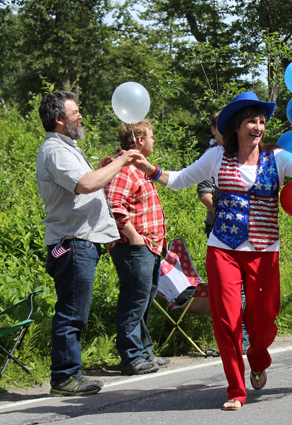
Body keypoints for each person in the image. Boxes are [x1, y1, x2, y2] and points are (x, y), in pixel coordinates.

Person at [130, 91, 292, 410]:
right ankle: (235, 390)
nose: (258, 126)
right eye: (252, 120)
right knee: (226, 318)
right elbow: (182, 179)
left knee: (264, 319)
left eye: (262, 121)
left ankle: (258, 357)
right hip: (223, 247)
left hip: (265, 250)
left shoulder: (277, 157)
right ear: (237, 126)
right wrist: (150, 170)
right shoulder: (216, 158)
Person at [36, 91, 136, 396]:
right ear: (59, 119)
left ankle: (68, 374)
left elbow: (88, 178)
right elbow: (86, 184)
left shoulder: (67, 148)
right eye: (75, 112)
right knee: (71, 310)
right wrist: (121, 162)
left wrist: (105, 165)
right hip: (72, 242)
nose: (81, 116)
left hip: (78, 241)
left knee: (74, 308)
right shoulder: (56, 150)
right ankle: (65, 377)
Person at [104, 119, 171, 376]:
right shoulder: (123, 168)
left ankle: (145, 352)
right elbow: (114, 206)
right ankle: (131, 357)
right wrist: (133, 237)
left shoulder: (138, 167)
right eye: (152, 137)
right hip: (134, 247)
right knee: (133, 302)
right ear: (140, 140)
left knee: (143, 301)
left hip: (149, 247)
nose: (154, 141)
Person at [196, 111, 250, 354]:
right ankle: (236, 340)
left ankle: (246, 337)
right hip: (221, 230)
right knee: (229, 288)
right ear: (214, 131)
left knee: (246, 286)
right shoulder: (211, 156)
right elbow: (204, 191)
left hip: (252, 231)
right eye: (221, 126)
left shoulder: (247, 152)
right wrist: (225, 214)